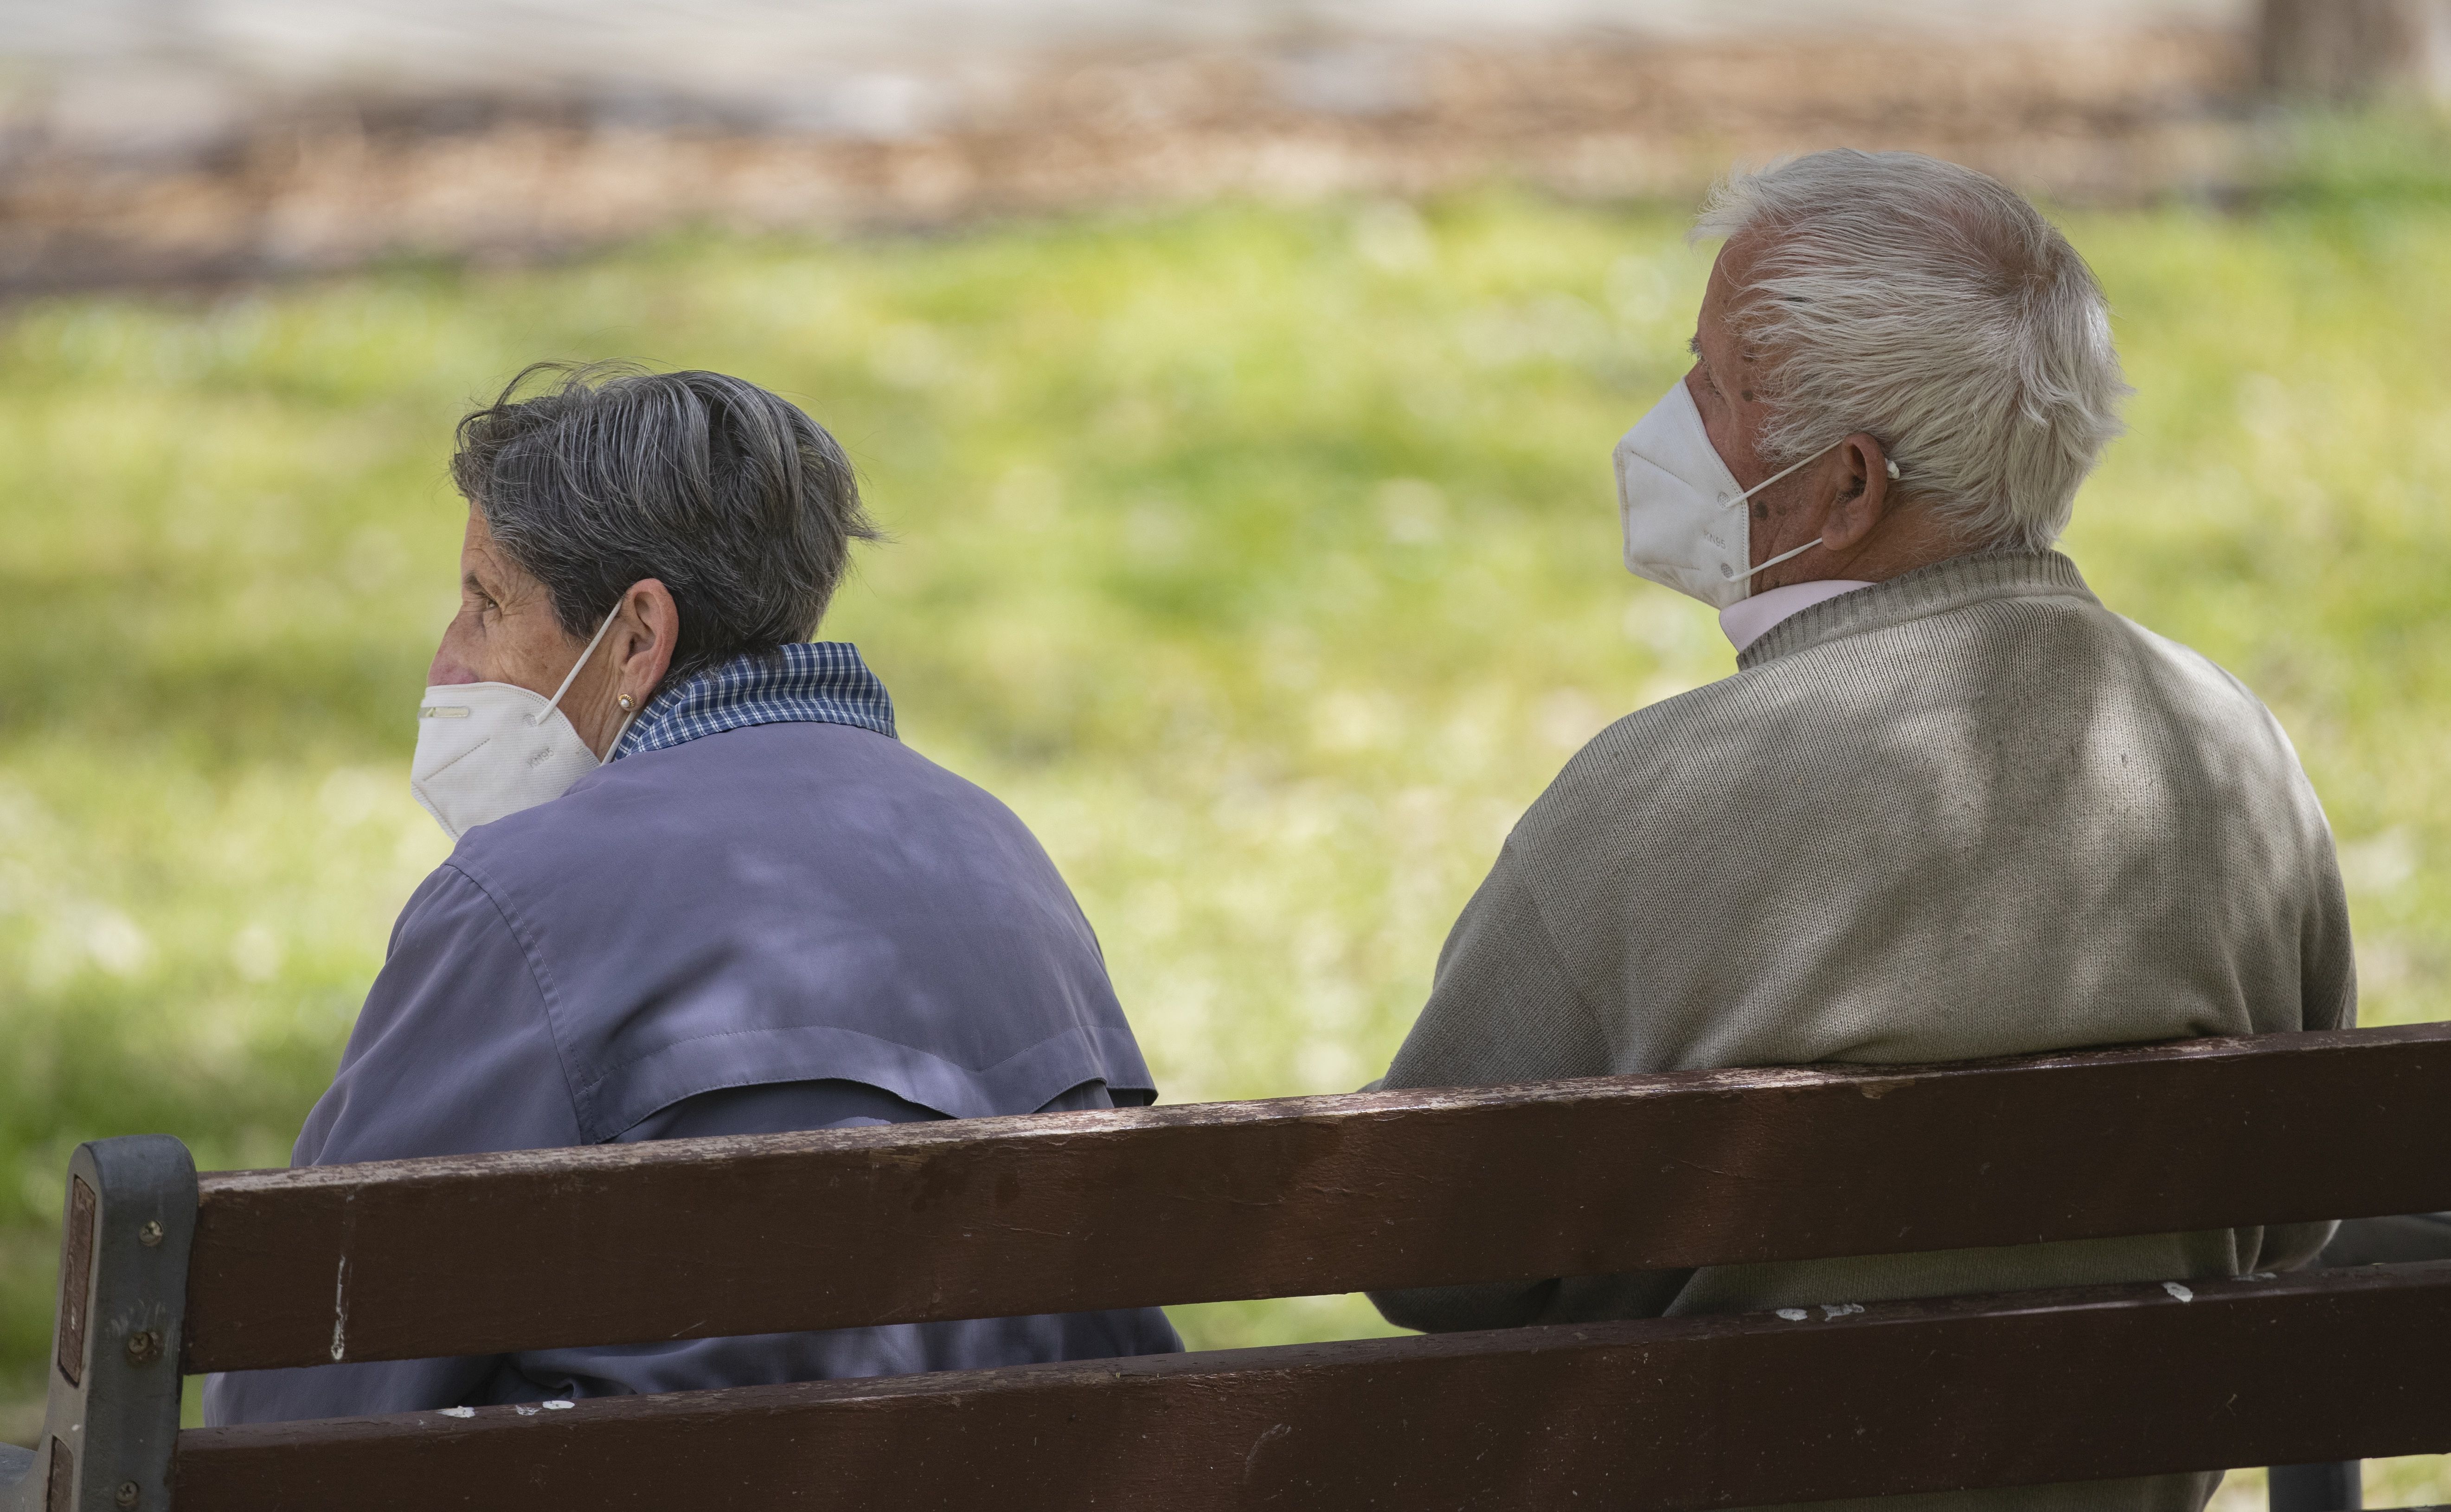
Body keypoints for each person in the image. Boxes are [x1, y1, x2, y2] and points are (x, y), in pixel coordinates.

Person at [1365, 151, 2353, 1512]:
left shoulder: (1652, 797)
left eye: (1709, 386)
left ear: (1844, 487)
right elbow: (2293, 1214)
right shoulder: (2230, 745)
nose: (1669, 417)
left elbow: (1429, 1256)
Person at [205, 363, 1179, 1424]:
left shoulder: (523, 899)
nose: (447, 661)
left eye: (487, 603)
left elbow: (303, 1386)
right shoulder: (998, 850)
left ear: (636, 637)